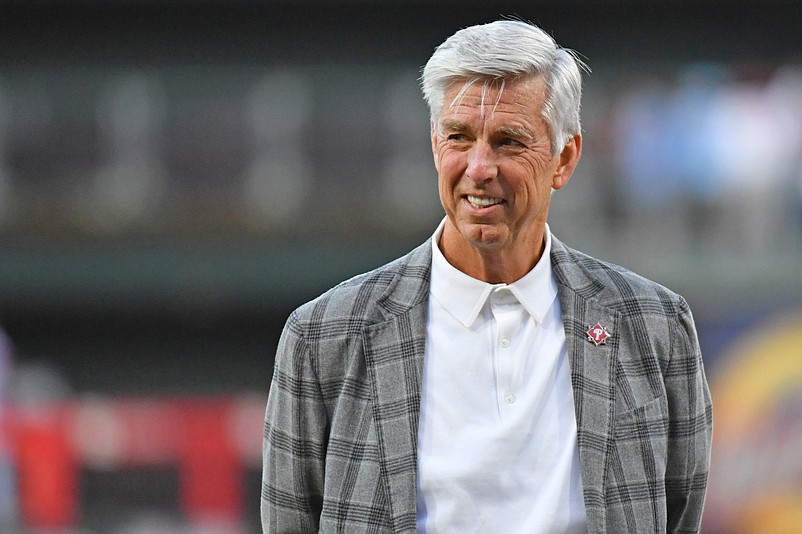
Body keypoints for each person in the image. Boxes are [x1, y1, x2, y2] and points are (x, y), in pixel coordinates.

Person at [261, 20, 713, 534]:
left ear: (564, 159)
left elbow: (680, 513)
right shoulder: (323, 336)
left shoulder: (657, 327)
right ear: (435, 147)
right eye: (458, 137)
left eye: (507, 142)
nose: (479, 167)